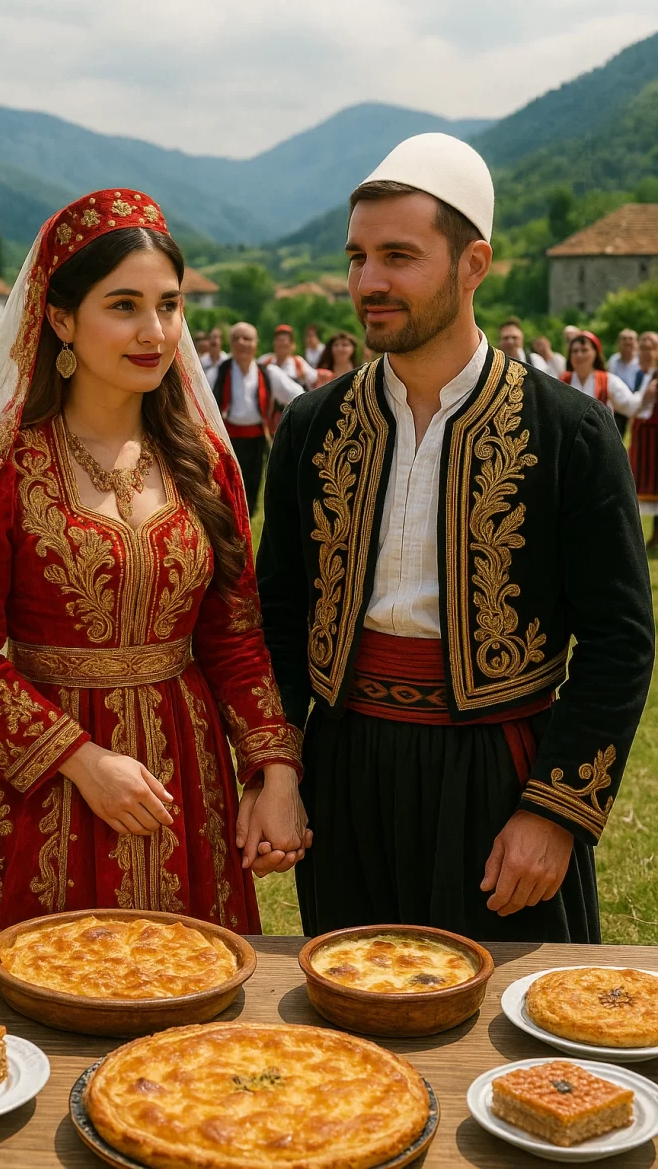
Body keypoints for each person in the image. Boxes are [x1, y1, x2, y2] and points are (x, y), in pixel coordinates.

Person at [257, 133, 654, 945]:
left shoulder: (572, 431)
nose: (369, 282)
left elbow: (619, 640)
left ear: (474, 264)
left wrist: (555, 811)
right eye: (358, 257)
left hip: (499, 770)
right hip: (346, 768)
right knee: (354, 1024)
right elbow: (278, 618)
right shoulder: (312, 425)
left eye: (399, 256)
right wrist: (279, 769)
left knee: (512, 1037)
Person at [0, 189, 309, 933]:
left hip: (186, 777)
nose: (155, 332)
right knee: (39, 1002)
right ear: (58, 320)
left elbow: (234, 636)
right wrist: (81, 762)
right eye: (124, 306)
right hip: (38, 795)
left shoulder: (204, 462)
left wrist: (273, 770)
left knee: (187, 1021)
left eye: (169, 305)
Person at [212, 322, 303, 516]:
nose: (242, 343)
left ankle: (246, 524)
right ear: (230, 343)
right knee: (224, 487)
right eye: (236, 339)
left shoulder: (269, 373)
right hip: (226, 440)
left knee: (251, 485)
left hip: (257, 439)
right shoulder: (218, 372)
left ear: (256, 344)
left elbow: (298, 396)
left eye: (247, 339)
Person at [561, 331, 653, 437]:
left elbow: (630, 406)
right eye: (575, 351)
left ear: (595, 353)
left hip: (598, 443)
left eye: (584, 350)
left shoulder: (608, 380)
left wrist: (647, 387)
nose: (579, 355)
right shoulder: (562, 381)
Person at [628, 332, 658, 546]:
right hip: (642, 433)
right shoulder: (640, 375)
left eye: (652, 348)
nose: (647, 352)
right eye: (644, 348)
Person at [260, 325, 317, 390]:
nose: (281, 343)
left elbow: (316, 379)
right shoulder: (265, 361)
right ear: (274, 343)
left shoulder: (298, 363)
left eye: (285, 340)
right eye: (279, 340)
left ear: (292, 345)